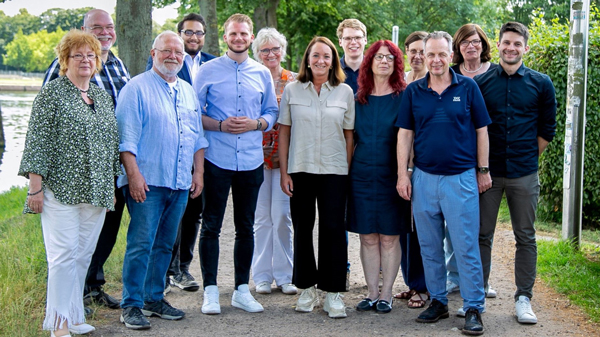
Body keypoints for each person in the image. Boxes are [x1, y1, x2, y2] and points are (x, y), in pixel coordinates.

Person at [19, 29, 120, 337]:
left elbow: (110, 142)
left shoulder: (101, 97)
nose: (86, 60)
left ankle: (74, 316)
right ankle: (58, 325)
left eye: (91, 55)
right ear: (65, 60)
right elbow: (38, 142)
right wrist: (35, 188)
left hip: (97, 190)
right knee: (63, 257)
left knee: (81, 256)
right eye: (78, 55)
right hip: (60, 190)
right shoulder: (52, 93)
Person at [396, 31, 490, 336]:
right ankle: (437, 301)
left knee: (465, 245)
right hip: (424, 178)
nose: (435, 60)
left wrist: (483, 169)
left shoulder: (468, 87)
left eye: (441, 54)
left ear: (451, 55)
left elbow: (481, 131)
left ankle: (473, 306)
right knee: (429, 245)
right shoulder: (413, 92)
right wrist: (402, 174)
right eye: (429, 54)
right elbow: (405, 135)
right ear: (423, 55)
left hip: (461, 178)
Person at [116, 31, 208, 330]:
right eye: (166, 51)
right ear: (153, 53)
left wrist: (198, 173)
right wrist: (133, 176)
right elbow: (126, 140)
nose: (173, 56)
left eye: (178, 52)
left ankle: (153, 298)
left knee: (165, 245)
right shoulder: (136, 88)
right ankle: (130, 304)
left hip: (180, 182)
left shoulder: (186, 90)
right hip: (148, 182)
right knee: (141, 243)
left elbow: (197, 137)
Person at [42, 8, 130, 312]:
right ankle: (65, 306)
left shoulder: (117, 65)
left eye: (109, 27)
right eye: (97, 27)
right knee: (68, 246)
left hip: (110, 170)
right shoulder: (60, 72)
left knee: (101, 235)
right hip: (71, 175)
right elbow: (44, 128)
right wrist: (37, 184)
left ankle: (91, 289)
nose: (105, 32)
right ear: (83, 29)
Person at [194, 13, 279, 315]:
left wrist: (257, 124)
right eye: (234, 34)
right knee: (212, 226)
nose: (239, 38)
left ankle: (242, 289)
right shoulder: (207, 70)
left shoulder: (261, 73)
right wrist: (220, 125)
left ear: (251, 37)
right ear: (225, 35)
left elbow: (272, 112)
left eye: (244, 34)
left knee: (246, 227)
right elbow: (194, 113)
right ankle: (211, 290)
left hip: (251, 161)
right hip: (218, 158)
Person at [475, 21, 557, 325]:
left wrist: (525, 155)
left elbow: (547, 128)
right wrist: (482, 166)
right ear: (498, 45)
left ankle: (524, 298)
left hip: (524, 172)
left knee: (526, 236)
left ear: (525, 47)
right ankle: (478, 295)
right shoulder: (482, 83)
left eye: (517, 44)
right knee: (482, 234)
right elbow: (475, 128)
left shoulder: (542, 83)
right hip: (488, 173)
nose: (511, 48)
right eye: (506, 43)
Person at [279, 36, 355, 319]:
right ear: (307, 59)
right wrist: (284, 171)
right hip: (300, 168)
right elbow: (284, 132)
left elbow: (349, 136)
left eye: (326, 56)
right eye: (315, 56)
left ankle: (333, 291)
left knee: (334, 228)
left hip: (335, 170)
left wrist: (345, 170)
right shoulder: (292, 90)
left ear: (333, 60)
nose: (320, 61)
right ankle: (306, 288)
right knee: (302, 227)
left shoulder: (345, 91)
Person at [146, 13, 216, 294]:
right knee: (171, 211)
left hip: (203, 148)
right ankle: (165, 271)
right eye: (189, 32)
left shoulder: (213, 64)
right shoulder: (167, 63)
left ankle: (183, 268)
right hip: (171, 150)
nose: (194, 38)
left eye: (199, 33)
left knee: (194, 212)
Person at [348, 40, 407, 314]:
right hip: (361, 175)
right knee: (368, 236)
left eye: (390, 58)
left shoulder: (404, 97)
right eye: (378, 57)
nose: (384, 61)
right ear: (369, 62)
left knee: (389, 237)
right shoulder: (357, 97)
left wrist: (404, 173)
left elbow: (410, 140)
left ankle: (387, 294)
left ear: (396, 64)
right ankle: (371, 293)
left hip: (392, 175)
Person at [445, 23, 500, 302]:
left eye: (475, 41)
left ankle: (480, 280)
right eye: (465, 42)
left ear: (483, 44)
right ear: (458, 46)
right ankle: (453, 277)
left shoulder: (496, 74)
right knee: (451, 226)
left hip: (485, 161)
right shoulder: (449, 74)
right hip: (453, 161)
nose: (470, 46)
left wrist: (484, 166)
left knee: (479, 227)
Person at [250, 27, 297, 296]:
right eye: (265, 49)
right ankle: (262, 276)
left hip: (284, 160)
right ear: (258, 53)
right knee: (261, 218)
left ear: (283, 51)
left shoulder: (293, 80)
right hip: (255, 159)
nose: (271, 54)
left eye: (275, 49)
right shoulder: (251, 77)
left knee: (282, 217)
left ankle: (285, 274)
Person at [392, 30, 429, 310]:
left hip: (424, 166)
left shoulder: (434, 83)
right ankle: (410, 281)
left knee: (421, 231)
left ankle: (423, 286)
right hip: (400, 165)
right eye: (412, 50)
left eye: (421, 51)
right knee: (404, 228)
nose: (417, 56)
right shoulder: (401, 82)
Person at [336, 18, 367, 290]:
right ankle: (341, 268)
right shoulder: (335, 71)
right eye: (348, 38)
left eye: (357, 37)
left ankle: (377, 268)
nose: (353, 42)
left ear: (364, 40)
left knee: (373, 208)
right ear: (341, 42)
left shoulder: (376, 69)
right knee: (339, 213)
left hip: (371, 149)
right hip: (338, 149)